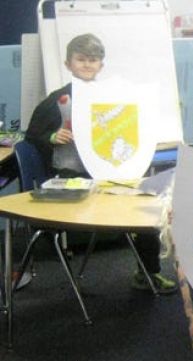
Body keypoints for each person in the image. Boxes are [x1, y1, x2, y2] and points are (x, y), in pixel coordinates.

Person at [25, 33, 177, 294]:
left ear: (101, 65)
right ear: (68, 63)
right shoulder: (58, 99)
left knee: (147, 209)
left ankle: (148, 273)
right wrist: (51, 136)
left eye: (93, 60)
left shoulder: (114, 95)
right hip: (75, 176)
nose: (87, 64)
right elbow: (32, 136)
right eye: (81, 59)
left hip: (111, 173)